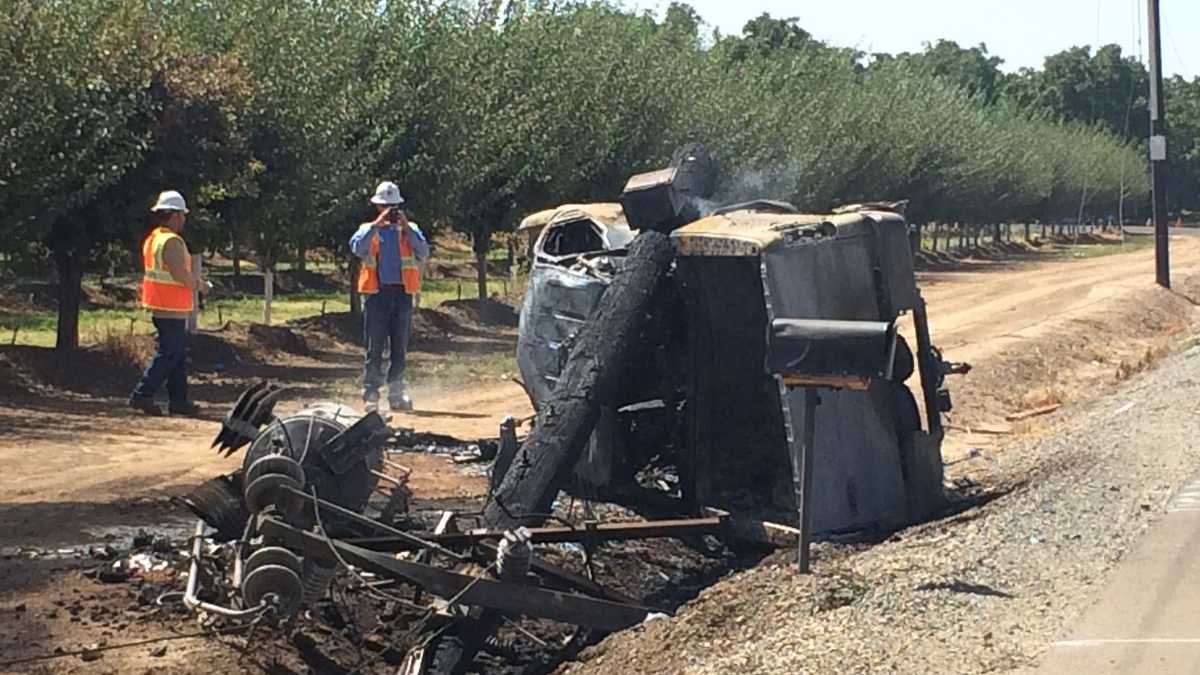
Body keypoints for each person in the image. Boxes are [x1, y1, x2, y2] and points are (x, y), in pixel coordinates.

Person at [349, 181, 430, 412]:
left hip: (402, 294)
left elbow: (423, 251)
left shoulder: (409, 229)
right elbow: (357, 248)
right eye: (385, 207)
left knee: (399, 347)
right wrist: (376, 225)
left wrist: (407, 228)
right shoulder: (368, 229)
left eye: (392, 207)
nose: (389, 211)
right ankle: (371, 394)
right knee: (374, 346)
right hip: (377, 294)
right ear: (377, 207)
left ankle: (396, 394)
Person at [129, 190, 208, 416]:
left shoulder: (154, 239)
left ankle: (179, 401)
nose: (184, 220)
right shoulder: (171, 241)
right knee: (169, 353)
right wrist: (201, 285)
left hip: (162, 304)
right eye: (182, 215)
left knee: (177, 355)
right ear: (174, 215)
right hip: (170, 307)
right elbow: (180, 275)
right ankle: (142, 394)